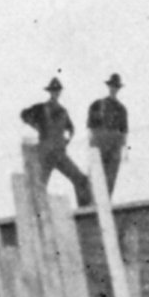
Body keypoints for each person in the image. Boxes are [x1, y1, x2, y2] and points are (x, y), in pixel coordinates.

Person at [19, 78, 92, 208]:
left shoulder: (63, 111)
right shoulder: (41, 108)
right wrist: (37, 126)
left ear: (60, 92)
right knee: (38, 186)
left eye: (57, 91)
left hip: (59, 153)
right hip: (45, 153)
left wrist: (65, 141)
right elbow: (24, 115)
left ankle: (85, 211)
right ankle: (36, 214)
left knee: (81, 180)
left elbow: (71, 129)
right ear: (50, 92)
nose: (55, 93)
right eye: (53, 91)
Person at [87, 73, 129, 195]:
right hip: (100, 144)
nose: (114, 89)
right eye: (112, 86)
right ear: (108, 87)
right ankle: (93, 203)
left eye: (116, 87)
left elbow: (124, 132)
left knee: (110, 179)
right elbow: (90, 128)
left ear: (118, 89)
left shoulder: (122, 109)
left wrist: (124, 150)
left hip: (115, 145)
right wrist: (92, 146)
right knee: (96, 176)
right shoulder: (97, 105)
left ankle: (106, 202)